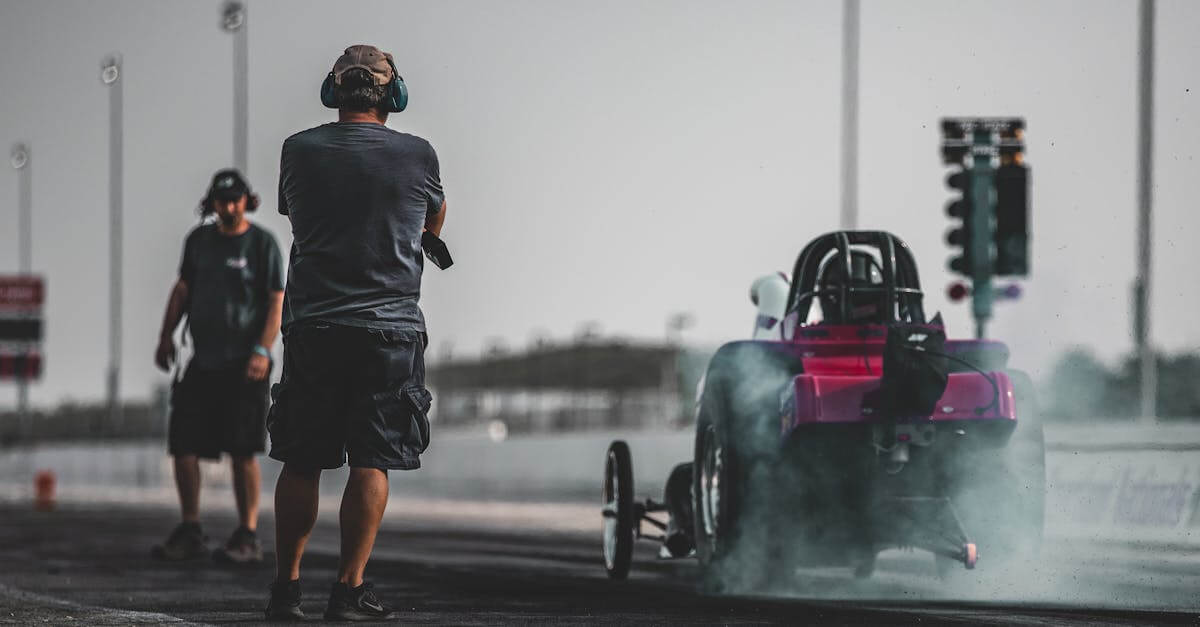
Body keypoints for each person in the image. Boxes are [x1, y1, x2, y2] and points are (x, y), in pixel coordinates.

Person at [264, 45, 446, 622]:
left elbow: (293, 212)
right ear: (394, 96)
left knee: (301, 461)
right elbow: (433, 220)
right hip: (389, 332)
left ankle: (286, 591)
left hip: (313, 325)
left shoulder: (298, 150)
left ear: (332, 91)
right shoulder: (419, 155)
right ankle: (348, 591)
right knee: (372, 462)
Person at [152, 168, 285, 564]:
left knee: (242, 451)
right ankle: (191, 528)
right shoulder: (199, 242)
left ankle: (246, 535)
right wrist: (165, 336)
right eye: (221, 200)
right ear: (211, 203)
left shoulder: (262, 244)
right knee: (183, 444)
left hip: (245, 365)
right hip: (202, 361)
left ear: (247, 201)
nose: (228, 207)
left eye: (235, 199)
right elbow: (182, 290)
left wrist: (263, 350)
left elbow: (276, 300)